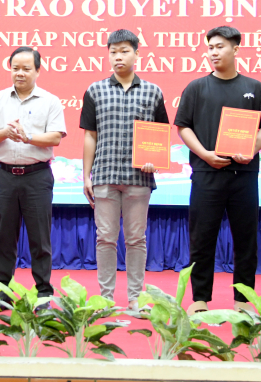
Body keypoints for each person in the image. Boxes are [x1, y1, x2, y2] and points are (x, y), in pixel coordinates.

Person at [174, 26, 261, 313]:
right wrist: (204, 154)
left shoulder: (254, 87)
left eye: (220, 47)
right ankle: (200, 299)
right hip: (206, 173)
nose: (214, 53)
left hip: (244, 175)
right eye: (210, 48)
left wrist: (251, 149)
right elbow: (183, 127)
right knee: (202, 238)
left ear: (235, 49)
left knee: (246, 239)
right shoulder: (196, 87)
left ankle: (243, 300)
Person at [81, 29, 169, 316]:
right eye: (113, 52)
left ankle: (135, 299)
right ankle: (106, 300)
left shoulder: (153, 91)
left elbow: (160, 134)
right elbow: (90, 135)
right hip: (104, 175)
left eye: (124, 51)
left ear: (137, 53)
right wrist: (86, 175)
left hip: (138, 178)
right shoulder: (95, 90)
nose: (118, 57)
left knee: (136, 239)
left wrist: (155, 160)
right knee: (105, 238)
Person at [0, 46, 66, 301]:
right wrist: (5, 132)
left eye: (26, 69)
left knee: (40, 239)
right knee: (5, 238)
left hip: (37, 176)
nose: (20, 73)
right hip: (5, 176)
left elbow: (55, 137)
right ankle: (2, 292)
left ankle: (44, 293)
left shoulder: (50, 101)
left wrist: (28, 137)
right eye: (15, 68)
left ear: (37, 70)